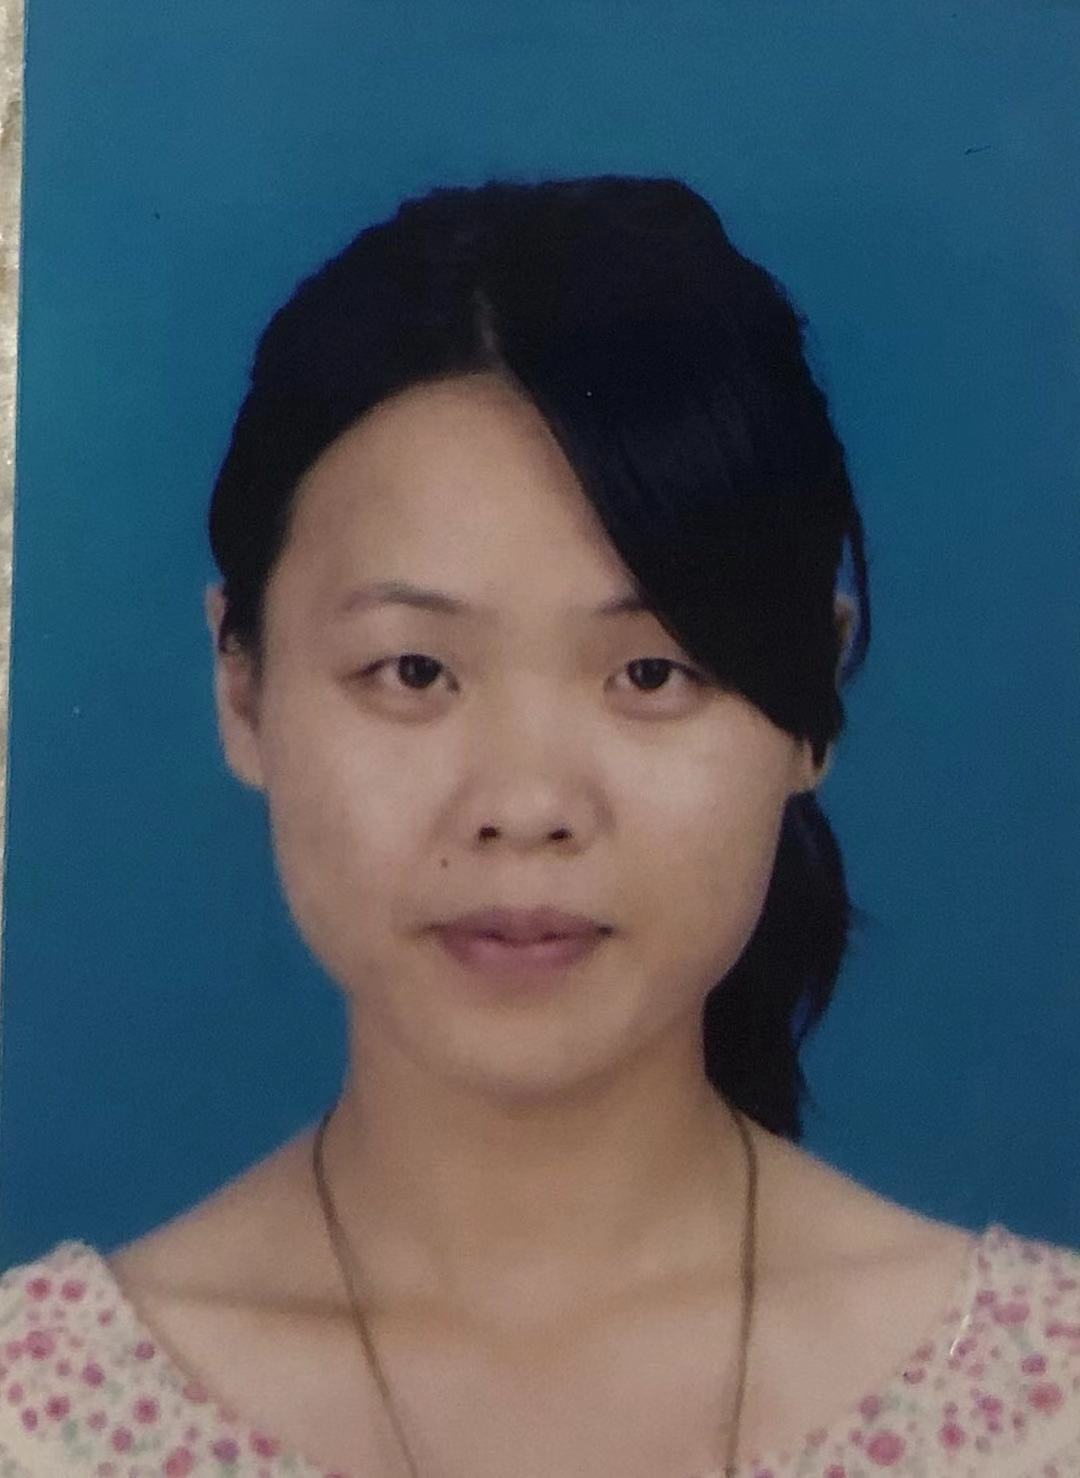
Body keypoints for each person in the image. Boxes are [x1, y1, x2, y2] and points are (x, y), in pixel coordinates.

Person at [1, 176, 1077, 1478]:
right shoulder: (36, 1416)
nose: (523, 806)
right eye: (413, 670)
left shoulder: (1044, 1399)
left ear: (812, 697)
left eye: (651, 674)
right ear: (243, 686)